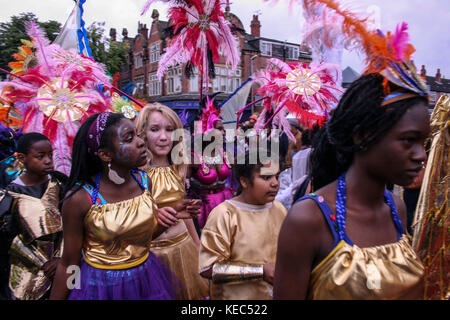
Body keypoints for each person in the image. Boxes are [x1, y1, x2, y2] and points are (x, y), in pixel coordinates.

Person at [274, 73, 429, 300]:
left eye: (423, 142)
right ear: (362, 136)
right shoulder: (309, 219)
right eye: (408, 140)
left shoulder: (396, 208)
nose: (421, 155)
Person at [49, 112, 193, 300]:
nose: (140, 142)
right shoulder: (81, 199)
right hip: (100, 288)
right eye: (129, 139)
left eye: (137, 135)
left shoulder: (143, 181)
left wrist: (169, 217)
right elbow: (69, 263)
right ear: (105, 154)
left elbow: (139, 241)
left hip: (146, 281)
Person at [135, 103, 209, 300]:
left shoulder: (178, 167)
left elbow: (184, 214)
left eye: (169, 130)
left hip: (184, 249)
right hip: (151, 256)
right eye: (154, 129)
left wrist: (197, 245)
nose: (163, 137)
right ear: (142, 133)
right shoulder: (134, 174)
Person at [199, 148, 287, 299]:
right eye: (266, 177)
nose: (275, 183)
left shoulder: (279, 208)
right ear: (244, 181)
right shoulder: (224, 215)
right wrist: (260, 271)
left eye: (276, 176)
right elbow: (208, 268)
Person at [0, 133, 67, 300]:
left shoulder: (61, 184)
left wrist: (62, 258)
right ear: (22, 158)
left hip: (67, 263)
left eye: (50, 154)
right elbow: (9, 238)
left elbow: (74, 223)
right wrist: (43, 262)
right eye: (40, 156)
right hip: (28, 271)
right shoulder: (9, 195)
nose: (48, 160)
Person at [188, 97, 233, 230]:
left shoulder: (223, 152)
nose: (224, 133)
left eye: (223, 129)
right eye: (220, 129)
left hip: (225, 202)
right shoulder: (193, 156)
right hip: (204, 209)